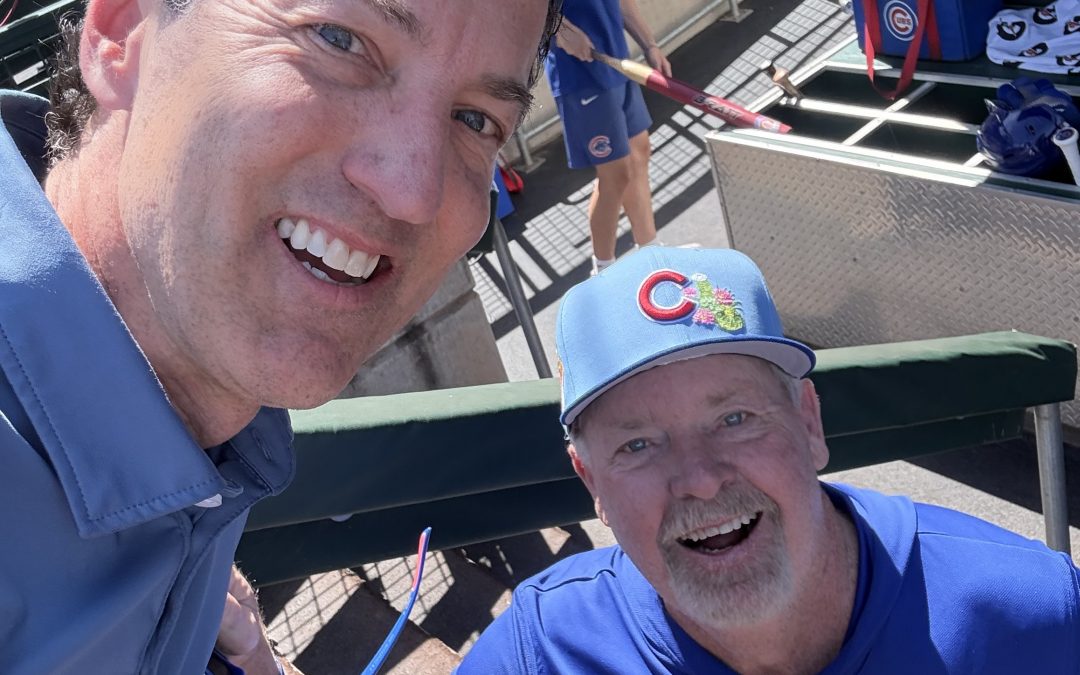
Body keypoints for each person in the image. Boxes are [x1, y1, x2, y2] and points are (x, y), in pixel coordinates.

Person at [0, 0, 561, 671]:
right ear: (121, 33)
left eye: (476, 120)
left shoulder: (201, 401)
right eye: (340, 40)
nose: (413, 190)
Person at [458, 247, 1080, 674]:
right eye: (637, 445)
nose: (700, 480)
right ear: (590, 481)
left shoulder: (1029, 611)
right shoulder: (541, 652)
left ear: (808, 422)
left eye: (734, 419)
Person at [548, 0, 671, 275]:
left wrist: (650, 45)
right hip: (579, 76)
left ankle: (652, 254)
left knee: (639, 152)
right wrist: (560, 28)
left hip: (617, 61)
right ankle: (604, 271)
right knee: (616, 173)